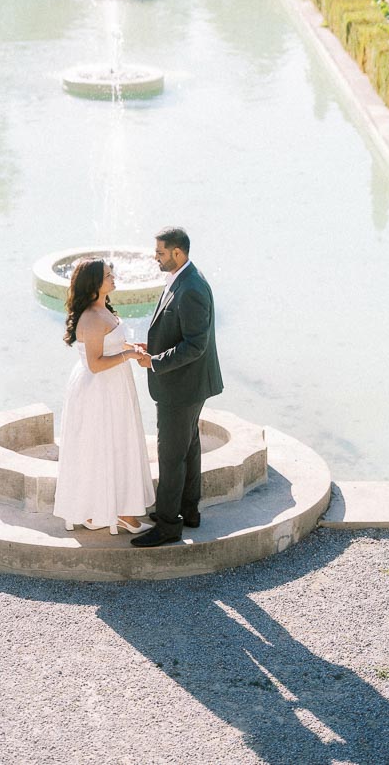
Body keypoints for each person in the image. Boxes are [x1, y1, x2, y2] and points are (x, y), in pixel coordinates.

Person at [130, 227, 223, 549]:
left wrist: (154, 362)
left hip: (182, 385)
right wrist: (152, 346)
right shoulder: (182, 280)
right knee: (188, 446)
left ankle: (169, 525)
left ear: (177, 253)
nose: (155, 258)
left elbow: (196, 345)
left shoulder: (192, 287)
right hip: (187, 384)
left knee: (170, 454)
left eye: (160, 253)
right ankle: (188, 509)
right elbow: (178, 331)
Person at [53, 257, 154, 536]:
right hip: (99, 390)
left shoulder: (103, 309)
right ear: (95, 284)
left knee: (117, 444)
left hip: (114, 385)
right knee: (104, 446)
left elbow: (111, 344)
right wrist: (130, 355)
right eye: (108, 275)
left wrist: (131, 346)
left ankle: (115, 510)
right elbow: (96, 364)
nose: (113, 278)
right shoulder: (91, 317)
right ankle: (107, 511)